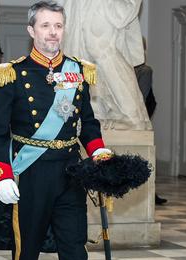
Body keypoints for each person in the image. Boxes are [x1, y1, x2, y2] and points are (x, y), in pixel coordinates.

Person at [0, 2, 117, 260]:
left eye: (58, 25)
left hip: (70, 175)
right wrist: (1, 174)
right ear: (32, 30)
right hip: (29, 176)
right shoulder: (11, 74)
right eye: (45, 25)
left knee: (76, 257)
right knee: (24, 259)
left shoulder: (77, 72)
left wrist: (99, 152)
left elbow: (87, 124)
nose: (53, 32)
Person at [62, 0, 150, 130]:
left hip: (103, 6)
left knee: (103, 52)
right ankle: (95, 112)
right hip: (79, 6)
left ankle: (132, 115)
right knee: (82, 57)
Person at [134, 38, 166, 205]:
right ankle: (148, 194)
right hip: (138, 119)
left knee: (144, 158)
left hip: (139, 118)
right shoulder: (142, 70)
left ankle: (149, 193)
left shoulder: (143, 70)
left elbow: (143, 97)